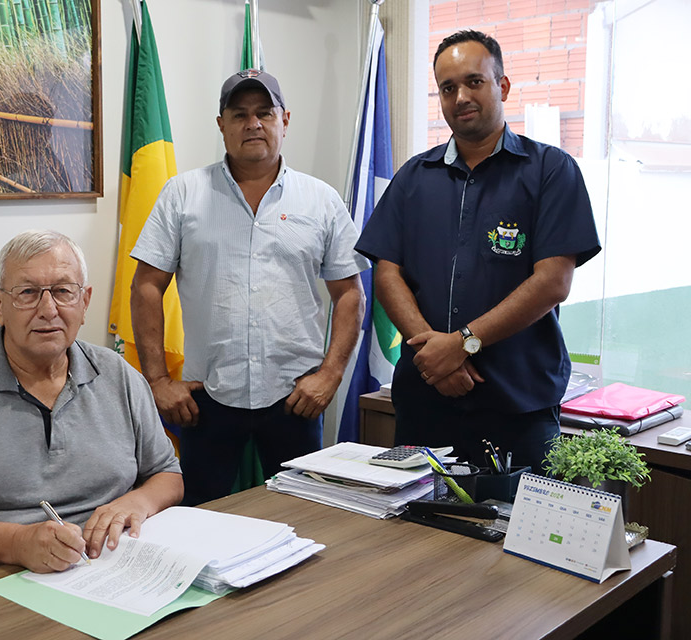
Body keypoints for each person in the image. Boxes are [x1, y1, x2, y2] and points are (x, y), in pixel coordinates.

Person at [355, 30, 601, 474]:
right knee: (415, 537)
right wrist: (436, 358)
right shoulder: (414, 177)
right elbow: (387, 270)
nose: (461, 96)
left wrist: (463, 343)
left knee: (517, 538)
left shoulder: (550, 170)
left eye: (474, 82)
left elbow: (552, 282)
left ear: (502, 86)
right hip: (425, 401)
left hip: (517, 407)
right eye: (448, 88)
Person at [0, 230, 183, 586]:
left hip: (106, 570)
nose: (48, 310)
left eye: (63, 291)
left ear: (84, 301)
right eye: (27, 293)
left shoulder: (117, 374)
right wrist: (17, 543)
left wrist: (138, 503)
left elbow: (167, 474)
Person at [130, 69, 369, 505]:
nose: (252, 123)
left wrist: (331, 374)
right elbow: (147, 285)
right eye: (239, 114)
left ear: (285, 120)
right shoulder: (182, 195)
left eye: (264, 112)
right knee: (200, 517)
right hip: (207, 400)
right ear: (221, 124)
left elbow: (349, 292)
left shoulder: (321, 200)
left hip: (296, 397)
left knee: (303, 518)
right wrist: (157, 380)